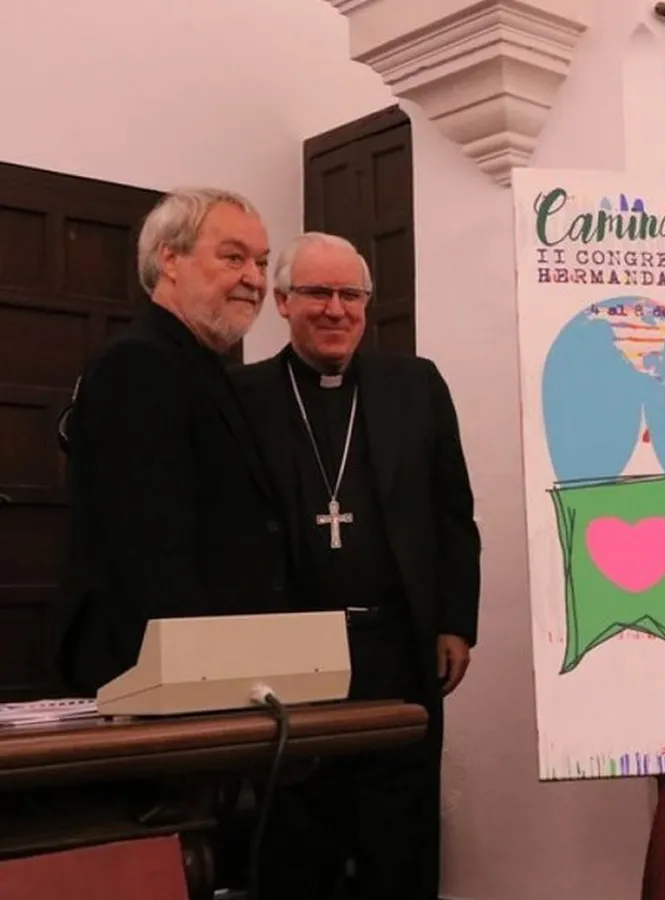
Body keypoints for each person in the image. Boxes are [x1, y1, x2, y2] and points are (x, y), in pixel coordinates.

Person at [231, 232, 480, 900]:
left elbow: (453, 512)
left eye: (350, 294)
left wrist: (456, 622)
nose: (335, 309)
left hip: (396, 646)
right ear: (283, 301)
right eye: (317, 292)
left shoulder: (415, 385)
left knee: (399, 838)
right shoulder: (243, 395)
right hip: (288, 652)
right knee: (296, 834)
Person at [51, 187, 289, 694]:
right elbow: (146, 548)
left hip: (204, 664)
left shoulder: (202, 365)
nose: (255, 279)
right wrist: (199, 682)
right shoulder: (139, 364)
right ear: (170, 260)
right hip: (156, 674)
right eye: (233, 258)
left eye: (262, 263)